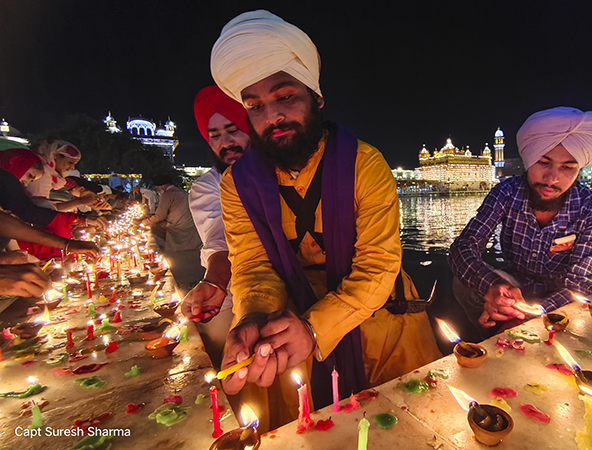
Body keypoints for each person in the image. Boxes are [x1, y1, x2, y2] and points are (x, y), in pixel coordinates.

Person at [210, 10, 441, 431]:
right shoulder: (236, 185)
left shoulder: (365, 164)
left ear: (316, 98)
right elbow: (253, 267)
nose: (273, 117)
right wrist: (251, 320)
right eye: (256, 106)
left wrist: (314, 331)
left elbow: (379, 264)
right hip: (287, 325)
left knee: (402, 428)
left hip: (381, 323)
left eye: (285, 97)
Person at [449, 107, 592, 337]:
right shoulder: (507, 193)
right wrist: (492, 287)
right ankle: (494, 333)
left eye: (567, 167)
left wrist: (531, 316)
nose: (552, 178)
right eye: (543, 162)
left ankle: (504, 332)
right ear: (529, 159)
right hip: (514, 289)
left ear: (578, 169)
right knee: (462, 281)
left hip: (560, 298)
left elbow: (580, 285)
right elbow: (463, 247)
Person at [181, 84, 251, 369]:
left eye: (233, 130)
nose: (226, 142)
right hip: (228, 288)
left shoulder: (281, 175)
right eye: (215, 136)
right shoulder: (208, 187)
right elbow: (220, 239)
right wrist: (215, 282)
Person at [139, 175, 204, 293]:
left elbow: (159, 216)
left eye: (157, 188)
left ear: (162, 186)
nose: (157, 190)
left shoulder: (168, 194)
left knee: (177, 256)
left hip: (179, 229)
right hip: (191, 229)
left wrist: (144, 223)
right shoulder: (181, 192)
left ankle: (185, 281)